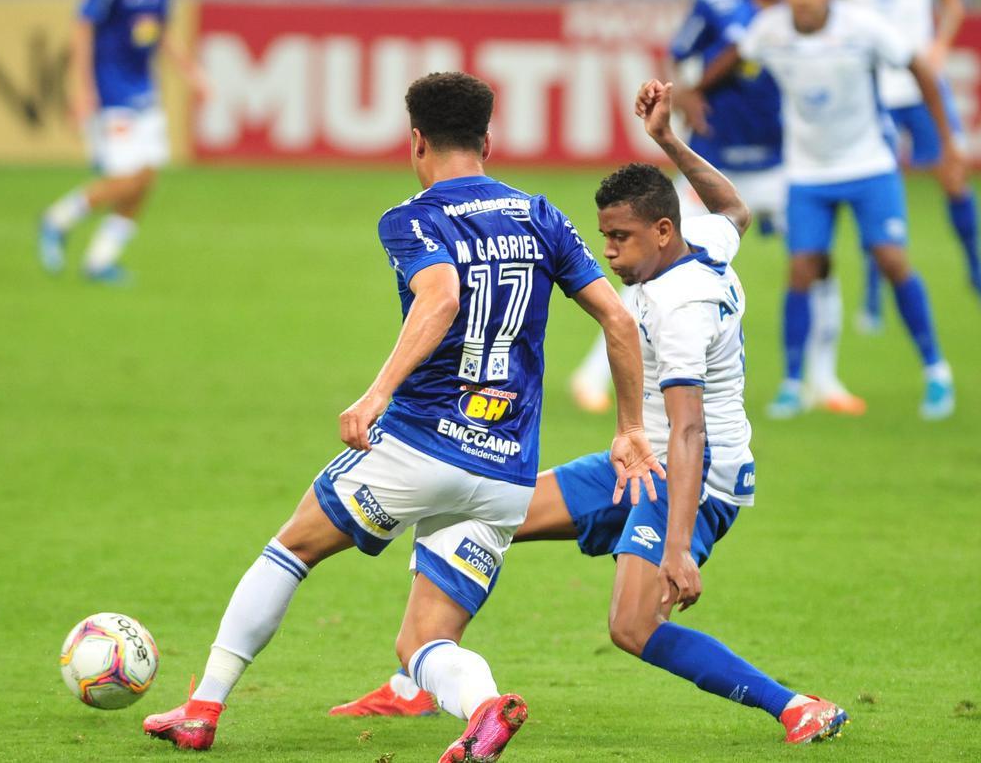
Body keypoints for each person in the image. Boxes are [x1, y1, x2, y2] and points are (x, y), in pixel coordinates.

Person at [141, 72, 662, 761]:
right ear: (488, 139)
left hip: (416, 450)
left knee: (292, 549)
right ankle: (483, 710)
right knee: (422, 643)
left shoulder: (413, 216)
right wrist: (630, 430)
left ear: (415, 140)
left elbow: (441, 296)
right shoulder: (540, 214)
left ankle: (202, 708)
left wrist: (376, 392)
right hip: (506, 473)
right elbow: (619, 318)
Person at [330, 80, 850, 747]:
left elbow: (688, 431)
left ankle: (796, 706)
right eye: (604, 236)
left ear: (664, 232)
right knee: (476, 508)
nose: (609, 253)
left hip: (694, 476)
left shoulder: (677, 309)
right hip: (637, 464)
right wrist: (667, 141)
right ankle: (417, 682)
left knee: (632, 628)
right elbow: (734, 208)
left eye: (622, 238)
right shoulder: (708, 245)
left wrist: (677, 546)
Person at [570, 0, 864, 419]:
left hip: (783, 162)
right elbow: (680, 55)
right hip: (716, 166)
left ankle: (824, 380)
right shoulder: (718, 0)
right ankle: (592, 376)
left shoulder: (809, 7)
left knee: (818, 264)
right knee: (651, 262)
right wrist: (683, 92)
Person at [694, 0, 956, 420]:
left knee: (892, 260)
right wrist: (693, 92)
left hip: (869, 164)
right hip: (808, 173)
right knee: (801, 270)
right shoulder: (770, 29)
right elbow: (733, 56)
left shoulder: (863, 27)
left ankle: (936, 371)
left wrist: (947, 144)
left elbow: (920, 69)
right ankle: (794, 384)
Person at [829, 0, 981, 330]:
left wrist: (941, 46)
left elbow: (953, 5)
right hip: (872, 88)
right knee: (874, 187)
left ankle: (978, 274)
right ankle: (872, 295)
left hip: (921, 82)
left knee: (955, 175)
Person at [38, 0, 206, 283]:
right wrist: (82, 90)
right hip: (111, 90)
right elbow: (83, 28)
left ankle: (100, 261)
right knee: (125, 178)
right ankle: (58, 218)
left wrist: (190, 70)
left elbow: (159, 30)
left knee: (146, 178)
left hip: (144, 89)